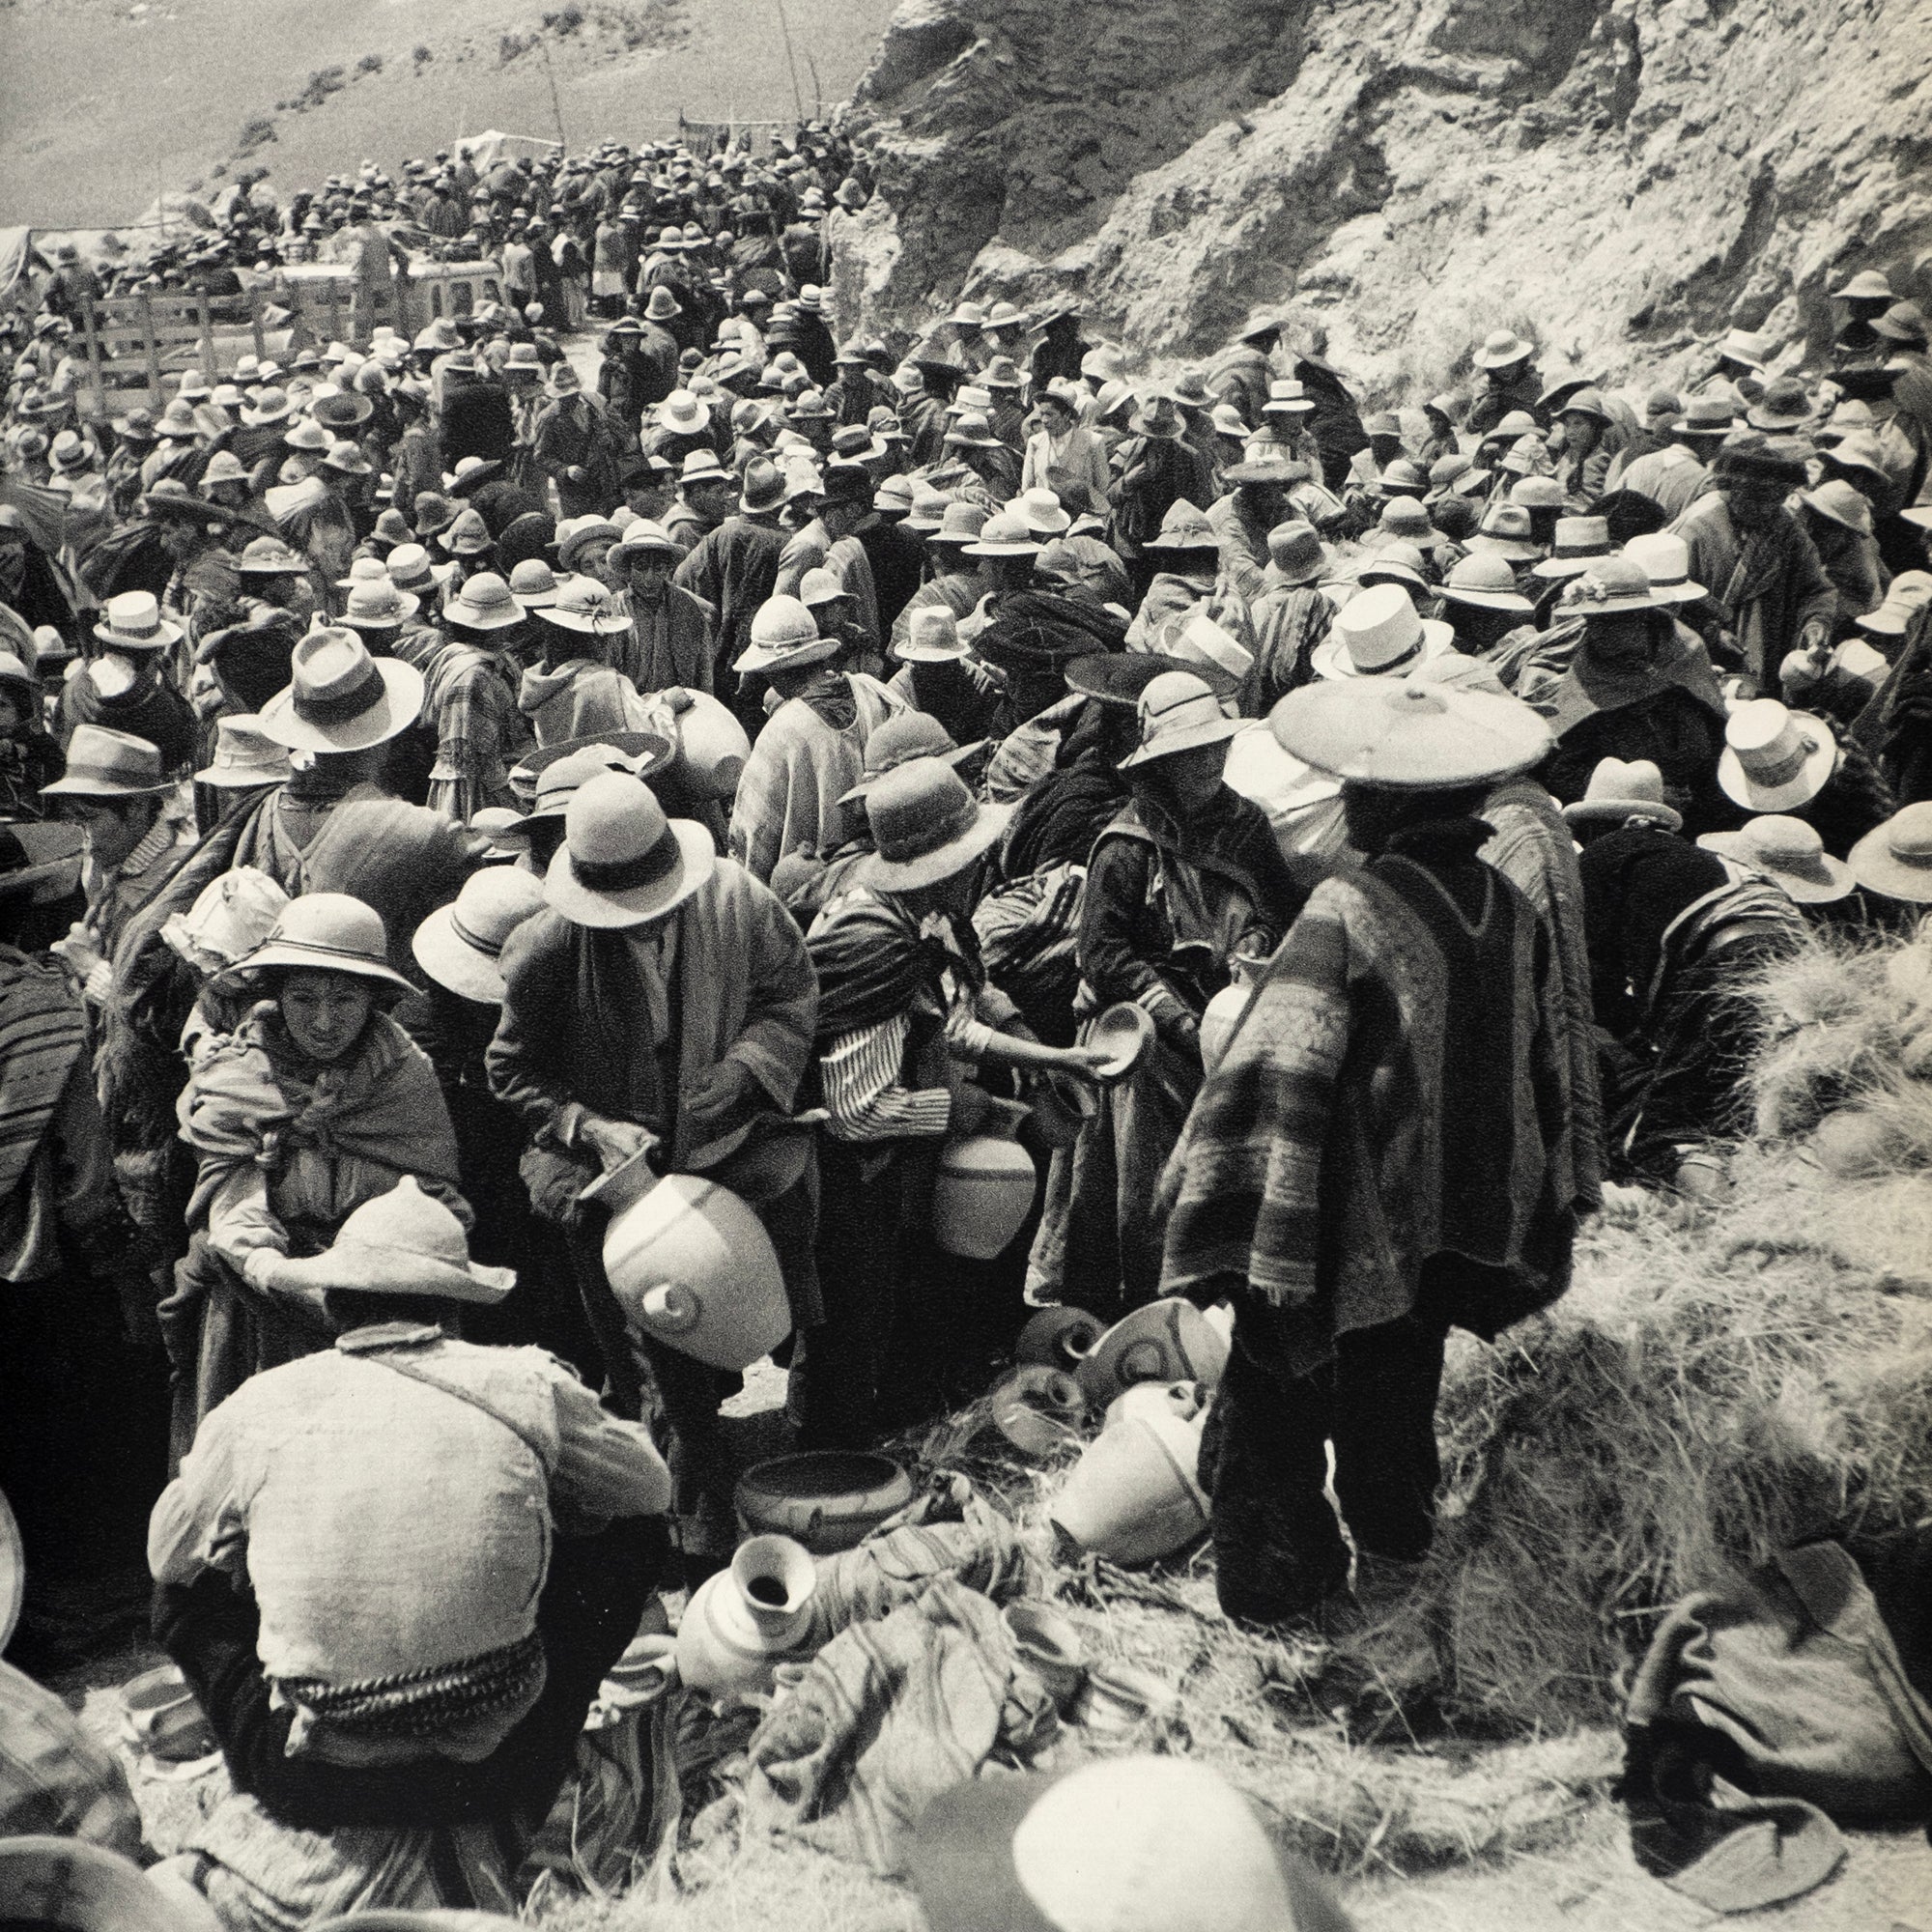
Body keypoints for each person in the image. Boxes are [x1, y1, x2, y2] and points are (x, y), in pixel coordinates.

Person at [1159, 674, 1584, 1634]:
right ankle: (1397, 1586)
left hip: (1336, 1221)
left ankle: (1283, 1601)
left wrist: (1231, 1207)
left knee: (1269, 1409)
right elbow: (1534, 1058)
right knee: (1395, 1401)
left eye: (1359, 788)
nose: (1342, 801)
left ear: (1394, 803)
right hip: (1444, 1226)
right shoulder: (1505, 908)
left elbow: (1273, 1067)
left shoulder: (1347, 910)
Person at [150, 1176, 668, 1768]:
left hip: (316, 1771)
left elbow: (166, 1557)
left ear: (334, 1304)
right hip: (504, 1751)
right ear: (452, 1306)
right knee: (635, 1531)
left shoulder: (256, 1406)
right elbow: (650, 1486)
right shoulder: (526, 1382)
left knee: (178, 1594)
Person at [488, 771, 818, 1565]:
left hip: (724, 1150)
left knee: (760, 1302)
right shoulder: (547, 948)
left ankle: (755, 1466)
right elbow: (510, 1068)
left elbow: (790, 993)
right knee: (653, 1353)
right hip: (611, 1180)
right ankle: (690, 1538)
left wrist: (743, 1067)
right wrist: (585, 1124)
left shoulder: (740, 904)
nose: (644, 929)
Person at [803, 757, 1107, 1442]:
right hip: (856, 1181)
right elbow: (856, 1111)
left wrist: (1043, 1055)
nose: (983, 869)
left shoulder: (925, 922)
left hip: (893, 1169)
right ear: (941, 868)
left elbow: (951, 1019)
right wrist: (956, 1110)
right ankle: (835, 1469)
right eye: (972, 859)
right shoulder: (877, 948)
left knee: (899, 1325)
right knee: (855, 1339)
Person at [1030, 673, 1317, 1318]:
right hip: (1147, 1044)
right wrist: (1181, 1020)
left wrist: (1259, 941)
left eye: (1216, 746)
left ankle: (1216, 1310)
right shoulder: (1129, 845)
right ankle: (1136, 1323)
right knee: (1143, 1196)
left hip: (1231, 1028)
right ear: (1161, 760)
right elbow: (1102, 955)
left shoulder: (1244, 826)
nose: (1211, 761)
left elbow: (1282, 909)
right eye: (1194, 751)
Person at [163, 893, 469, 1464]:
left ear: (375, 1001)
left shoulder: (406, 1078)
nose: (324, 1022)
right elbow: (230, 1203)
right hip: (260, 1292)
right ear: (276, 994)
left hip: (382, 1297)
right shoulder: (237, 1074)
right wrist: (276, 1268)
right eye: (304, 998)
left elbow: (438, 1201)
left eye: (345, 999)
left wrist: (324, 1180)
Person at [727, 593, 904, 882]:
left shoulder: (781, 731)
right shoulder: (874, 691)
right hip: (889, 868)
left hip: (816, 886)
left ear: (773, 672)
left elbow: (754, 834)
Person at [1670, 436, 1835, 693]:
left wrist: (1816, 622)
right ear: (1732, 491)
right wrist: (1712, 633)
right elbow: (1670, 601)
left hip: (1769, 649)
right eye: (1757, 500)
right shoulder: (1699, 532)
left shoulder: (1786, 528)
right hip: (1705, 657)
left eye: (1776, 499)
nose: (1767, 509)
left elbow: (1816, 588)